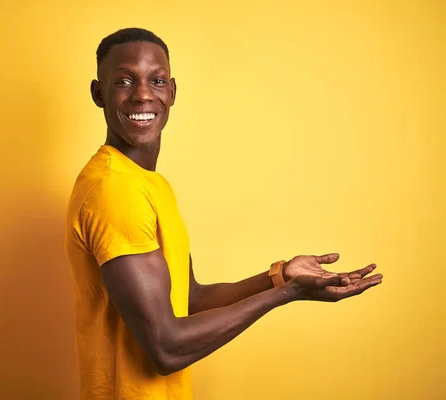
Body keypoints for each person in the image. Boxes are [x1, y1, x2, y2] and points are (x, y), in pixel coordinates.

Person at [63, 27, 383, 400]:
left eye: (157, 80)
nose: (143, 94)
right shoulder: (114, 189)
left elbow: (191, 299)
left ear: (172, 92)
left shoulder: (149, 185)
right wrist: (287, 294)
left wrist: (278, 277)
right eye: (124, 81)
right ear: (98, 94)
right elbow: (166, 348)